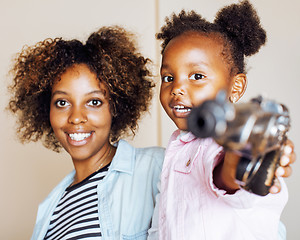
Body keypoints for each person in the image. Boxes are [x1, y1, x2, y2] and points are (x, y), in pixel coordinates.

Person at [148, 1, 296, 239]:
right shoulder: (177, 148)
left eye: (196, 76)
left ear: (235, 87)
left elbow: (224, 174)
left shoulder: (222, 141)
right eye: (168, 77)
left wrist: (243, 161)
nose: (176, 89)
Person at [7, 26, 165, 239]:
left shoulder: (157, 167)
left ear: (115, 107)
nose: (76, 117)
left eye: (94, 102)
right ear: (47, 110)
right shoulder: (50, 211)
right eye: (62, 102)